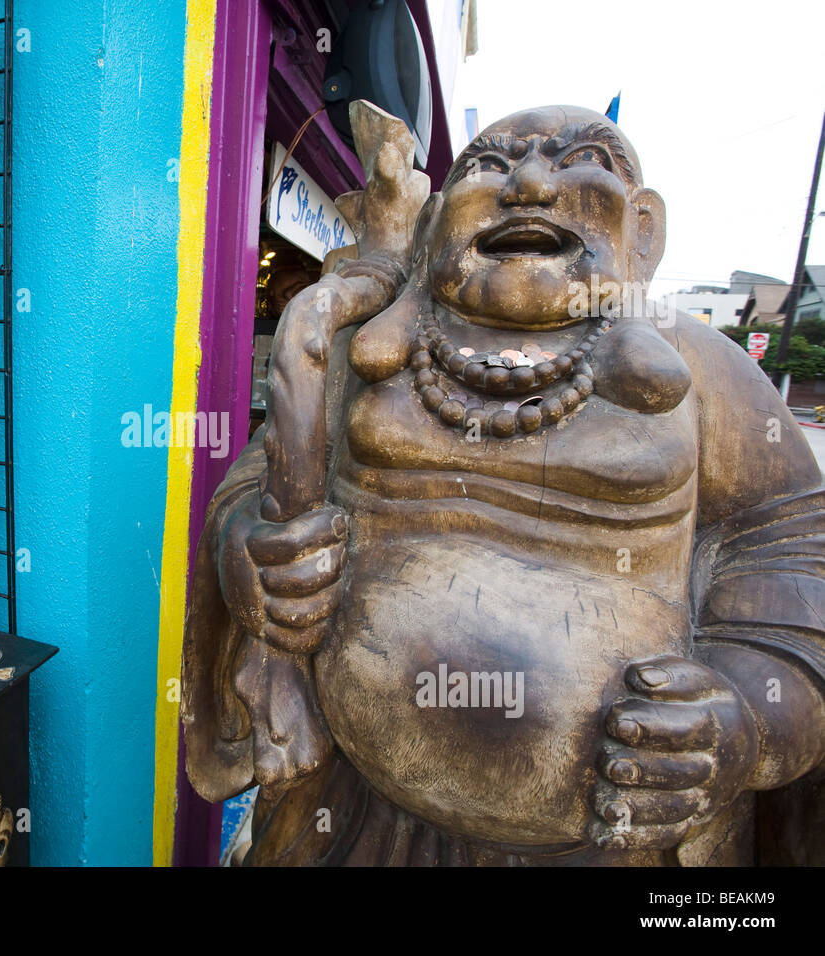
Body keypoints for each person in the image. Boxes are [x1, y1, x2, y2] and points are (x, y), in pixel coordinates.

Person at [183, 106, 825, 866]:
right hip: (356, 815)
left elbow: (789, 555)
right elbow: (255, 484)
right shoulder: (361, 345)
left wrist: (745, 715)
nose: (526, 184)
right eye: (486, 166)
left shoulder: (709, 373)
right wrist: (248, 558)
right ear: (432, 225)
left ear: (642, 230)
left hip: (614, 842)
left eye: (581, 159)